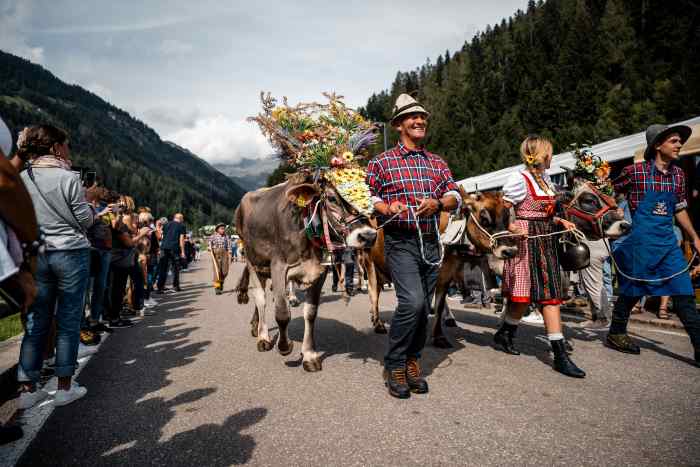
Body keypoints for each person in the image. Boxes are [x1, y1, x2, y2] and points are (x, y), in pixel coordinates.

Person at [366, 94, 460, 399]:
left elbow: (455, 194)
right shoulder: (381, 163)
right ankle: (394, 363)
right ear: (398, 125)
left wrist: (440, 202)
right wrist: (386, 207)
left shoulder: (437, 162)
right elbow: (365, 197)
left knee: (424, 310)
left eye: (422, 117)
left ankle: (412, 362)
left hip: (431, 243)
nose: (419, 120)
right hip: (400, 241)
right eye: (412, 117)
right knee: (413, 303)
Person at [17, 124, 97, 407]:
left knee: (36, 320)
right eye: (66, 145)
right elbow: (85, 221)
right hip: (71, 252)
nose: (68, 150)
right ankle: (64, 386)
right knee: (68, 319)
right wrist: (88, 203)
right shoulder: (69, 177)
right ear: (55, 147)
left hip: (37, 254)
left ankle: (28, 388)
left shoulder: (22, 177)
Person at [607, 124, 700, 365]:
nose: (679, 145)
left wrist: (695, 237)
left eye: (680, 141)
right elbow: (607, 192)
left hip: (668, 244)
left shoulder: (679, 174)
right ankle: (616, 333)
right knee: (631, 291)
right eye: (674, 141)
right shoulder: (634, 172)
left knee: (684, 293)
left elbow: (679, 208)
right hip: (640, 244)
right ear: (658, 145)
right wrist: (614, 209)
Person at [495, 135, 585, 378]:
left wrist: (559, 220)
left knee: (550, 297)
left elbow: (544, 213)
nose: (552, 156)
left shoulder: (545, 180)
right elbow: (502, 212)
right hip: (526, 240)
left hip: (546, 239)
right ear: (541, 154)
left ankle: (559, 355)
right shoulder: (519, 178)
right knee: (522, 299)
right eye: (550, 152)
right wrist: (512, 227)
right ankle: (506, 333)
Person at [156, 213, 186, 293]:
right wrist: (183, 252)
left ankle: (160, 287)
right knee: (176, 268)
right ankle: (176, 286)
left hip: (164, 248)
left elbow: (160, 236)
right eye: (183, 218)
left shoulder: (166, 224)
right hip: (174, 248)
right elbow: (181, 239)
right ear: (180, 218)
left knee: (163, 268)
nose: (183, 220)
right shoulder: (181, 226)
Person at [208, 223, 230, 295]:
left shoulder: (226, 236)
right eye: (222, 228)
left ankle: (221, 282)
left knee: (225, 271)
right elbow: (209, 244)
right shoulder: (213, 236)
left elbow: (229, 245)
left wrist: (230, 253)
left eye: (224, 228)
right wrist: (209, 248)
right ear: (218, 229)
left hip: (224, 253)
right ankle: (217, 288)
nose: (223, 230)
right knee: (217, 271)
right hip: (216, 254)